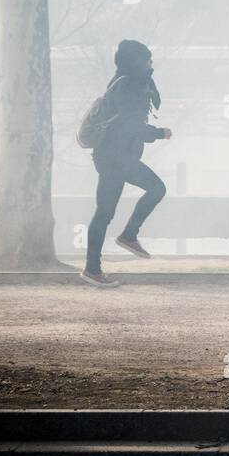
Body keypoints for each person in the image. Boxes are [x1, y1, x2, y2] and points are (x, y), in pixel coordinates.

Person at [81, 39, 171, 287]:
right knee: (155, 189)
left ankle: (101, 261)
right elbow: (130, 126)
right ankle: (120, 244)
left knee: (105, 213)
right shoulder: (127, 86)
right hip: (114, 158)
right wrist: (158, 133)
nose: (151, 63)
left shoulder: (130, 82)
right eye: (147, 59)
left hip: (117, 156)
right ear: (137, 62)